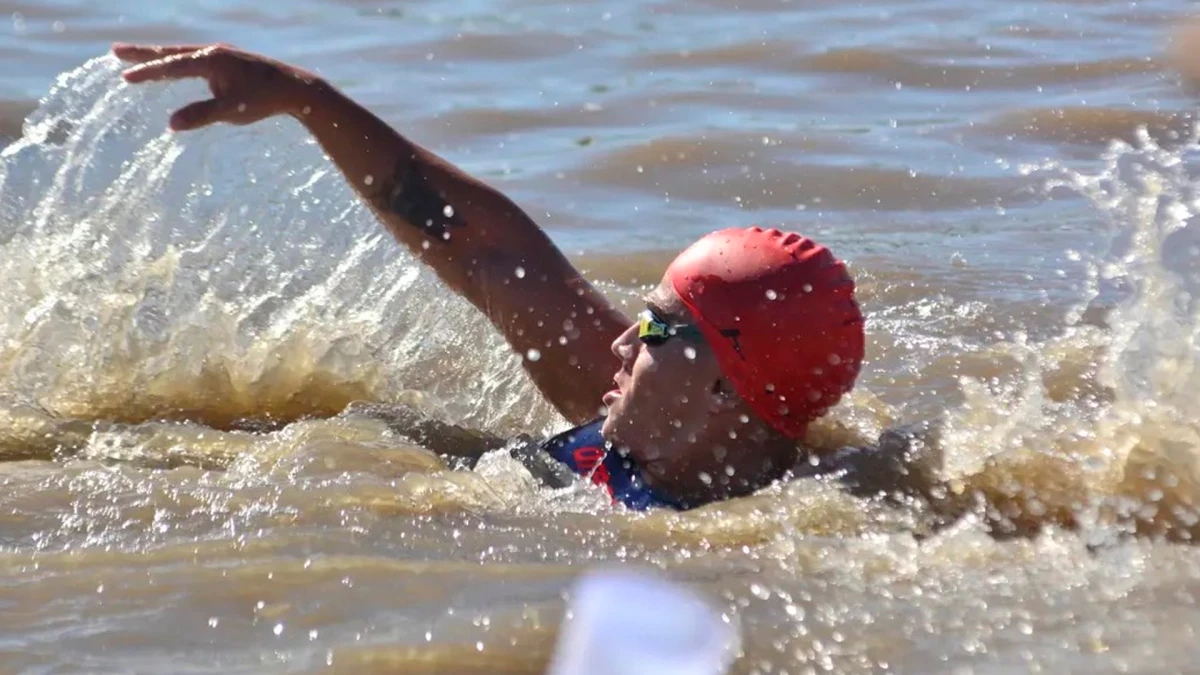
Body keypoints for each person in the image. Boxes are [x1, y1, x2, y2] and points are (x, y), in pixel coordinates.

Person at [112, 43, 866, 510]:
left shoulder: (795, 519)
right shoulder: (625, 402)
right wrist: (304, 96)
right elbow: (481, 248)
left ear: (724, 385)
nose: (621, 343)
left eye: (657, 329)